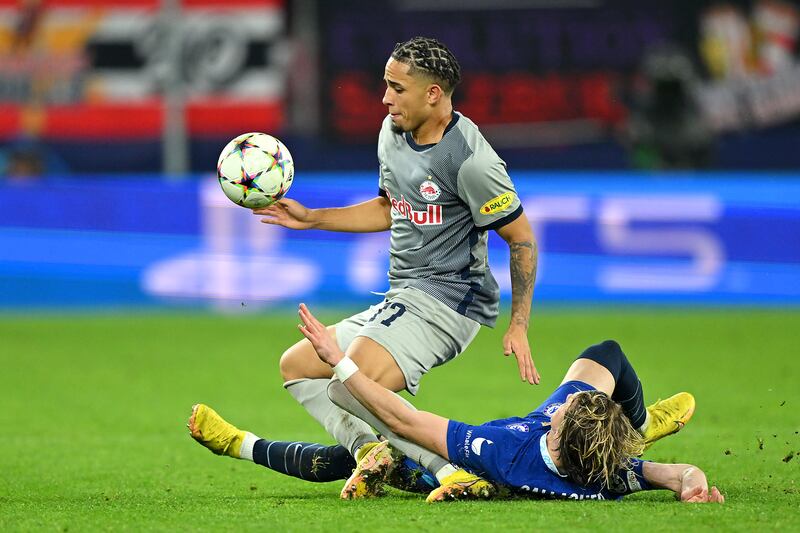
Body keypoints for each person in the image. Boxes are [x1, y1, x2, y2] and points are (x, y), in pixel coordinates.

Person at [249, 37, 538, 499]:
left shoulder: (470, 160)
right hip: (404, 294)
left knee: (348, 382)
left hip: (448, 301)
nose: (385, 98)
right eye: (385, 85)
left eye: (396, 88)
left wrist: (519, 323)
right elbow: (391, 208)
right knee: (299, 366)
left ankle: (448, 471)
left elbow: (520, 238)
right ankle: (371, 452)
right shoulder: (392, 131)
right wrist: (314, 218)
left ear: (433, 94)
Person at [187, 304, 723, 504]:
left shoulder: (506, 450)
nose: (559, 406)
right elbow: (678, 474)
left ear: (556, 433)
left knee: (348, 458)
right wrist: (693, 482)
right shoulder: (609, 476)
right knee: (606, 355)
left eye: (561, 413)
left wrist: (340, 362)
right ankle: (636, 425)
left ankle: (236, 443)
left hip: (450, 470)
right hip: (593, 448)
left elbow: (404, 417)